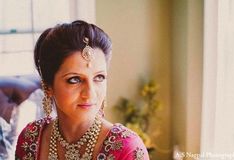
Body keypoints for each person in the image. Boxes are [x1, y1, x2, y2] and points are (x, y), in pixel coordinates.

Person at [15, 20, 149, 160]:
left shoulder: (127, 148)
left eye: (99, 77)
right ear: (48, 87)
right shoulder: (30, 138)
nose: (90, 93)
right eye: (75, 79)